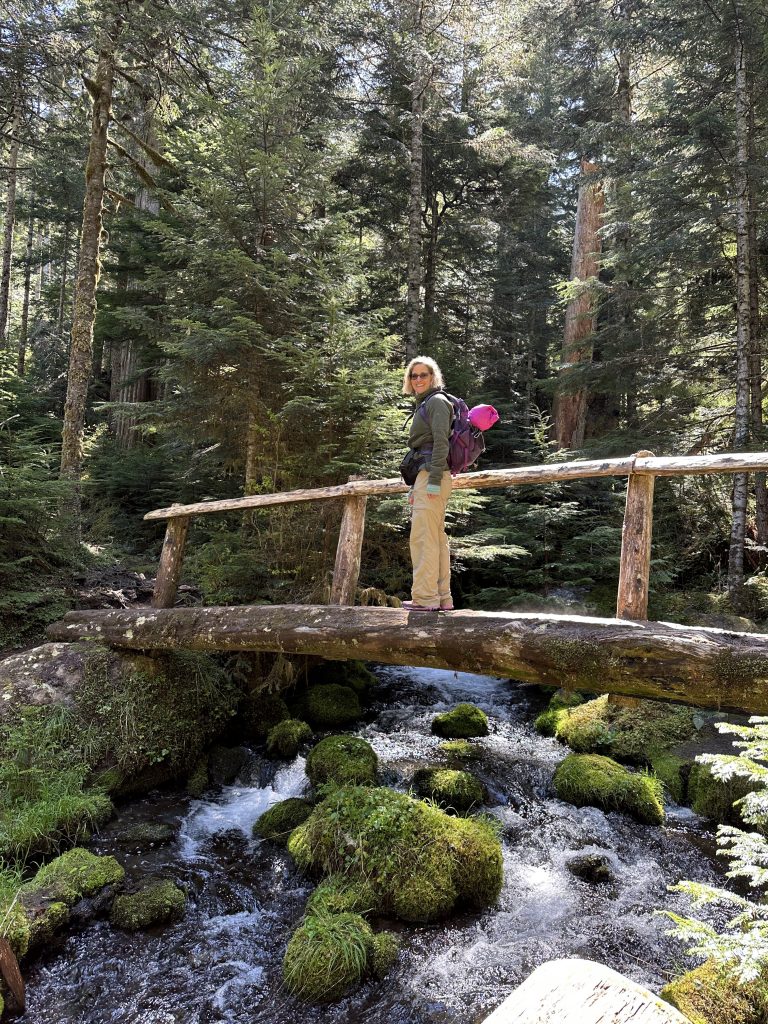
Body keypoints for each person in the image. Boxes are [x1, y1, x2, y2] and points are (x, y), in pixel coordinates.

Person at [401, 356, 454, 612]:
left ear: (433, 377)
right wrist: (417, 486)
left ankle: (425, 598)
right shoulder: (428, 402)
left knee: (423, 539)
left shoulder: (437, 402)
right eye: (414, 376)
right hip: (428, 477)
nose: (418, 379)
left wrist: (431, 482)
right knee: (435, 538)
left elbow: (441, 444)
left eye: (423, 375)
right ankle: (442, 598)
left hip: (434, 477)